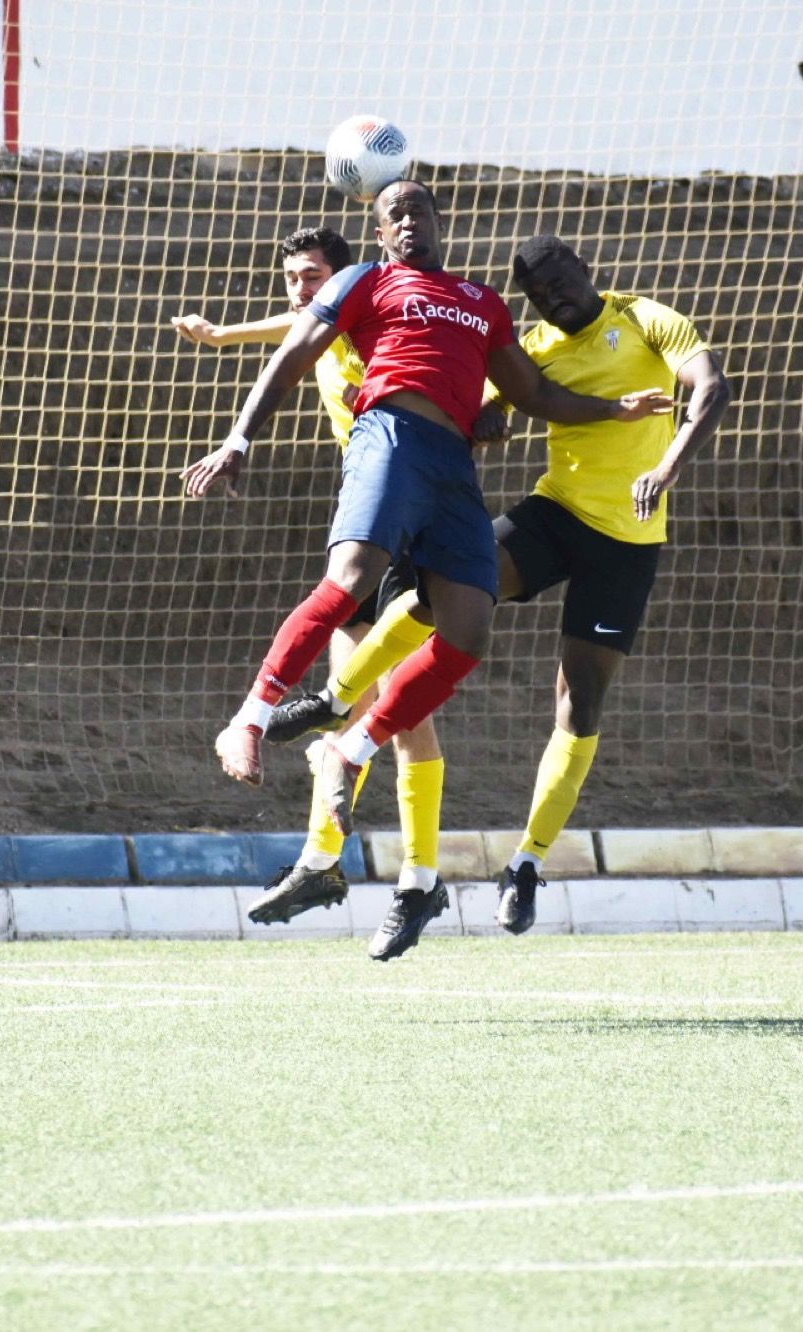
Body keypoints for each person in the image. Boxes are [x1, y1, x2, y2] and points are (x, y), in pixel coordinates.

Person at [182, 181, 671, 959]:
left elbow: (533, 390)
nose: (409, 223)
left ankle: (352, 761)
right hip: (389, 441)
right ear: (379, 234)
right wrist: (240, 436)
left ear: (442, 224)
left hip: (453, 470)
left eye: (419, 211)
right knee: (349, 580)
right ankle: (250, 722)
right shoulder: (366, 283)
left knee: (468, 632)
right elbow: (293, 348)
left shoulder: (482, 303)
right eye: (394, 215)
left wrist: (612, 413)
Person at [269, 235, 731, 934]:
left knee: (580, 703)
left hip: (628, 543)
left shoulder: (642, 318)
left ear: (586, 268)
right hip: (556, 514)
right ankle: (334, 703)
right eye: (539, 292)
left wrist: (667, 466)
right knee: (437, 598)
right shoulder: (535, 343)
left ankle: (525, 864)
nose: (553, 295)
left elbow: (711, 384)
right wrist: (491, 419)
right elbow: (503, 398)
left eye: (560, 279)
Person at [170, 228, 451, 929]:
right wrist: (223, 336)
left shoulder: (375, 317)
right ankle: (320, 865)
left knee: (406, 714)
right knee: (347, 706)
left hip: (409, 513)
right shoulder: (319, 312)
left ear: (346, 275)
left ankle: (420, 878)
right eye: (293, 277)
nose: (302, 290)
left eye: (314, 276)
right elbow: (295, 319)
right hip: (367, 511)